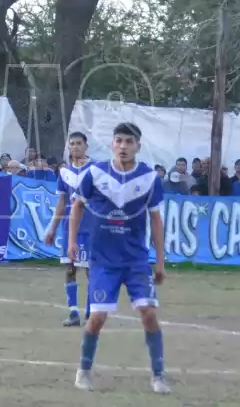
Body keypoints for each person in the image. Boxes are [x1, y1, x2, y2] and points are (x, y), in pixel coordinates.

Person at [69, 122, 169, 394]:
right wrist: (71, 243)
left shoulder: (149, 178)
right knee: (98, 317)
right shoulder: (95, 173)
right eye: (119, 141)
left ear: (138, 146)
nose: (123, 146)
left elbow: (156, 221)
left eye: (129, 141)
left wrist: (159, 262)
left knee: (149, 314)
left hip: (136, 260)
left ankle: (158, 375)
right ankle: (84, 370)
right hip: (103, 261)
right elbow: (77, 206)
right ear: (112, 144)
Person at [44, 131, 94, 327]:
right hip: (69, 227)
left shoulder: (96, 169)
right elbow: (62, 200)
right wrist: (52, 228)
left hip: (91, 226)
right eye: (72, 144)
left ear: (86, 146)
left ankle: (91, 314)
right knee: (70, 268)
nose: (75, 147)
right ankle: (73, 313)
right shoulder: (64, 172)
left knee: (92, 270)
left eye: (78, 143)